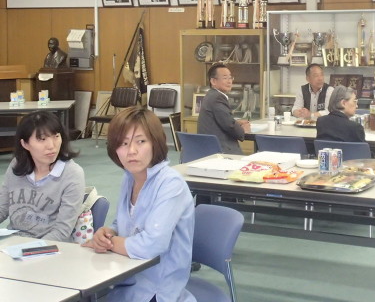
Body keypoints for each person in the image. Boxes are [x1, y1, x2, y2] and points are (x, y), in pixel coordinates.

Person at [82, 107, 195, 302]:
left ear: (155, 142)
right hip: (126, 278)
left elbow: (152, 245)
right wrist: (108, 232)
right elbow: (125, 223)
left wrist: (110, 243)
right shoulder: (130, 177)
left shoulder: (170, 184)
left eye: (140, 141)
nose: (131, 151)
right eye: (123, 143)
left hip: (157, 290)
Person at [0, 111, 84, 241]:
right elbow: (2, 208)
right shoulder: (17, 165)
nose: (51, 146)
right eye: (42, 139)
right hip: (14, 242)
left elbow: (62, 231)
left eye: (56, 136)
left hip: (50, 246)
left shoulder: (72, 173)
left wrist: (30, 249)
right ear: (25, 144)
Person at [197, 62, 250, 154]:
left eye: (230, 78)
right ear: (213, 81)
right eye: (225, 78)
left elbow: (222, 120)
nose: (229, 81)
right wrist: (243, 130)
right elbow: (229, 125)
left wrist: (237, 122)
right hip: (220, 151)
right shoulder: (217, 98)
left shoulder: (211, 95)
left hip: (209, 148)